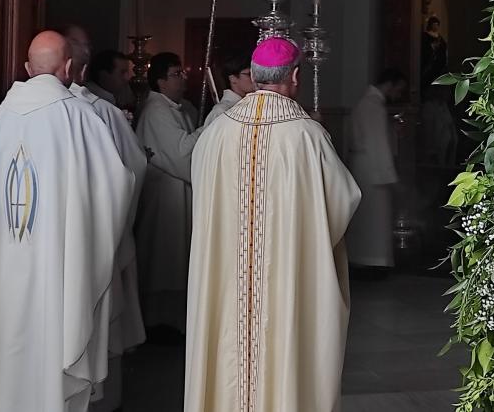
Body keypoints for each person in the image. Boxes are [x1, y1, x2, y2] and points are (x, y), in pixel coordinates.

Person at [184, 37, 361, 412]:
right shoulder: (306, 136)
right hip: (286, 282)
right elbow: (342, 201)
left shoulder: (215, 133)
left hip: (225, 278)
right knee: (285, 353)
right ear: (295, 76)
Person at [0, 31, 133, 412]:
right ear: (70, 67)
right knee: (56, 333)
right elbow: (115, 188)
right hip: (57, 268)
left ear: (27, 68)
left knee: (2, 346)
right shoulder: (80, 120)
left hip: (2, 271)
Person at [62, 26, 147, 412]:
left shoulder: (6, 118)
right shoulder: (96, 112)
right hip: (88, 237)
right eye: (80, 47)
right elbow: (130, 171)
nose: (84, 52)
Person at [134, 51, 204, 336]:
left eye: (182, 73)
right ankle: (160, 322)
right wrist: (211, 127)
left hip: (179, 195)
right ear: (160, 81)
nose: (182, 79)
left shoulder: (181, 106)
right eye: (176, 74)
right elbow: (179, 155)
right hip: (164, 198)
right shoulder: (156, 111)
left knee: (177, 260)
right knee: (164, 259)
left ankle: (176, 320)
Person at [346, 69, 408, 276]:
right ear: (390, 84)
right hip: (373, 167)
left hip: (364, 164)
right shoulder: (373, 106)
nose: (399, 94)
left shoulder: (367, 103)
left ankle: (364, 260)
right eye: (399, 89)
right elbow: (378, 144)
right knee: (374, 219)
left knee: (367, 219)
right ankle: (372, 262)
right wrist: (389, 176)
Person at [204, 50, 253, 125]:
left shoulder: (250, 105)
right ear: (232, 78)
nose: (254, 79)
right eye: (249, 74)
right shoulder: (221, 111)